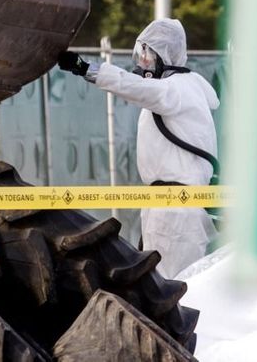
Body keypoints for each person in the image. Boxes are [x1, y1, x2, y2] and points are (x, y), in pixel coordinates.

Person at [57, 18, 219, 278]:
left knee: (174, 289)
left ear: (163, 55)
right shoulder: (178, 89)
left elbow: (137, 88)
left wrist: (86, 69)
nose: (142, 62)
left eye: (146, 54)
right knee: (164, 287)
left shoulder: (176, 90)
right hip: (170, 206)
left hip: (175, 211)